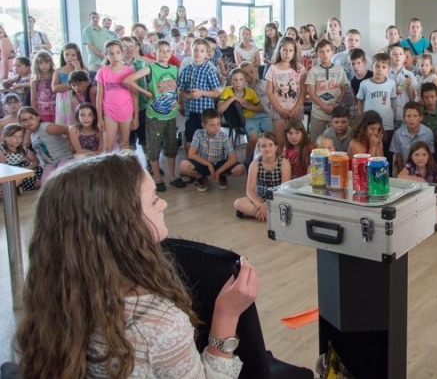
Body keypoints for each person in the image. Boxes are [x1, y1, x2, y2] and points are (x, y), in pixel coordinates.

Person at [14, 152, 260, 377]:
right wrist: (226, 318)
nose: (163, 204)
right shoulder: (159, 326)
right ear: (122, 224)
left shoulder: (53, 297)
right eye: (153, 201)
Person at [124, 40, 185, 191]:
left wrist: (178, 104)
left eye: (167, 51)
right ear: (154, 53)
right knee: (154, 147)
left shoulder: (174, 69)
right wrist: (146, 93)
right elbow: (128, 80)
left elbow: (176, 89)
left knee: (171, 147)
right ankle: (157, 177)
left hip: (170, 115)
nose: (164, 53)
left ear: (171, 53)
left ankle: (172, 175)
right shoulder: (151, 68)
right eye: (161, 51)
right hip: (155, 116)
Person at [178, 108, 246, 192]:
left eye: (218, 124)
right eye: (212, 125)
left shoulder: (223, 136)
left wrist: (218, 172)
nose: (216, 128)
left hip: (219, 163)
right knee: (183, 165)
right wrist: (209, 164)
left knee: (241, 168)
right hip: (203, 163)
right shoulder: (198, 133)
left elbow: (233, 158)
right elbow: (191, 154)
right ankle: (201, 177)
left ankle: (221, 175)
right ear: (203, 125)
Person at [177, 38, 221, 152]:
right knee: (189, 142)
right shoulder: (186, 70)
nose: (198, 53)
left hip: (205, 113)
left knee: (207, 142)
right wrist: (188, 97)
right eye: (195, 50)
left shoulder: (209, 71)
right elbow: (181, 90)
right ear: (191, 51)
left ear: (207, 54)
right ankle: (190, 161)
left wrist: (201, 92)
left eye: (202, 51)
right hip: (190, 112)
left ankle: (207, 161)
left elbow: (216, 93)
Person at [234, 132, 291, 221]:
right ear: (259, 149)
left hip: (277, 198)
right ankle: (269, 215)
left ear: (276, 147)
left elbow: (284, 190)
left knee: (288, 205)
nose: (267, 149)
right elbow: (250, 190)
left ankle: (259, 214)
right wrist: (259, 205)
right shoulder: (255, 164)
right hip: (259, 198)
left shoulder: (284, 163)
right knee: (238, 203)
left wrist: (268, 204)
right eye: (263, 146)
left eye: (270, 145)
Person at [266, 36, 306, 151]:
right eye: (284, 50)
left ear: (294, 52)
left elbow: (303, 91)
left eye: (290, 50)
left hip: (295, 109)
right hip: (278, 111)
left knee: (296, 142)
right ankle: (281, 161)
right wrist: (280, 109)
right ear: (279, 50)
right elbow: (269, 92)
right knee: (280, 141)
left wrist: (295, 109)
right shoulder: (273, 68)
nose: (287, 54)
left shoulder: (299, 68)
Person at [96, 40, 136, 151]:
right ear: (106, 55)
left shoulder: (129, 71)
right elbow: (99, 97)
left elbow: (134, 95)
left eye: (118, 52)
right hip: (109, 113)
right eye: (111, 53)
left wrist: (136, 117)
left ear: (122, 53)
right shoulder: (102, 72)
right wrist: (99, 118)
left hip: (126, 112)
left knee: (125, 144)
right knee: (108, 147)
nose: (115, 56)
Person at [217, 68, 263, 165]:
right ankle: (248, 160)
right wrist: (234, 98)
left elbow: (261, 108)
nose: (238, 82)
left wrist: (248, 106)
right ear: (231, 81)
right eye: (235, 79)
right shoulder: (227, 91)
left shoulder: (250, 92)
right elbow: (220, 109)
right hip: (237, 122)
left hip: (252, 119)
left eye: (241, 79)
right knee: (254, 138)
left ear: (245, 80)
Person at [18, 105, 74, 184]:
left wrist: (73, 147)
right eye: (24, 120)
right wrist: (27, 130)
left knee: (61, 176)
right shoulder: (32, 136)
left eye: (31, 117)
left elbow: (68, 130)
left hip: (64, 157)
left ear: (38, 118)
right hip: (50, 163)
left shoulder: (46, 127)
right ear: (21, 123)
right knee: (45, 184)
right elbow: (25, 145)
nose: (28, 121)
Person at [306, 39, 347, 143]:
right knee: (316, 142)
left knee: (334, 142)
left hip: (334, 114)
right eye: (321, 51)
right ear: (317, 53)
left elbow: (343, 90)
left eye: (328, 51)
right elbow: (311, 93)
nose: (325, 54)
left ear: (332, 52)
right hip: (317, 114)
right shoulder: (313, 71)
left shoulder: (339, 70)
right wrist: (324, 107)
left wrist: (336, 103)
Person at [390, 102, 434, 176]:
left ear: (421, 118)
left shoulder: (428, 133)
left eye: (415, 116)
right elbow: (398, 157)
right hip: (404, 171)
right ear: (404, 118)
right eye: (408, 116)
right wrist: (402, 174)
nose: (411, 119)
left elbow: (430, 156)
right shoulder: (398, 134)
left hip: (422, 171)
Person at [0, 123, 42, 191]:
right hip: (7, 171)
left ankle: (17, 189)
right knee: (17, 179)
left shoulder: (22, 148)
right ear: (5, 137)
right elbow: (3, 167)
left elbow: (35, 161)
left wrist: (26, 169)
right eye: (14, 136)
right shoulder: (1, 149)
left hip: (21, 169)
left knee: (37, 181)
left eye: (20, 136)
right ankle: (8, 191)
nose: (17, 139)